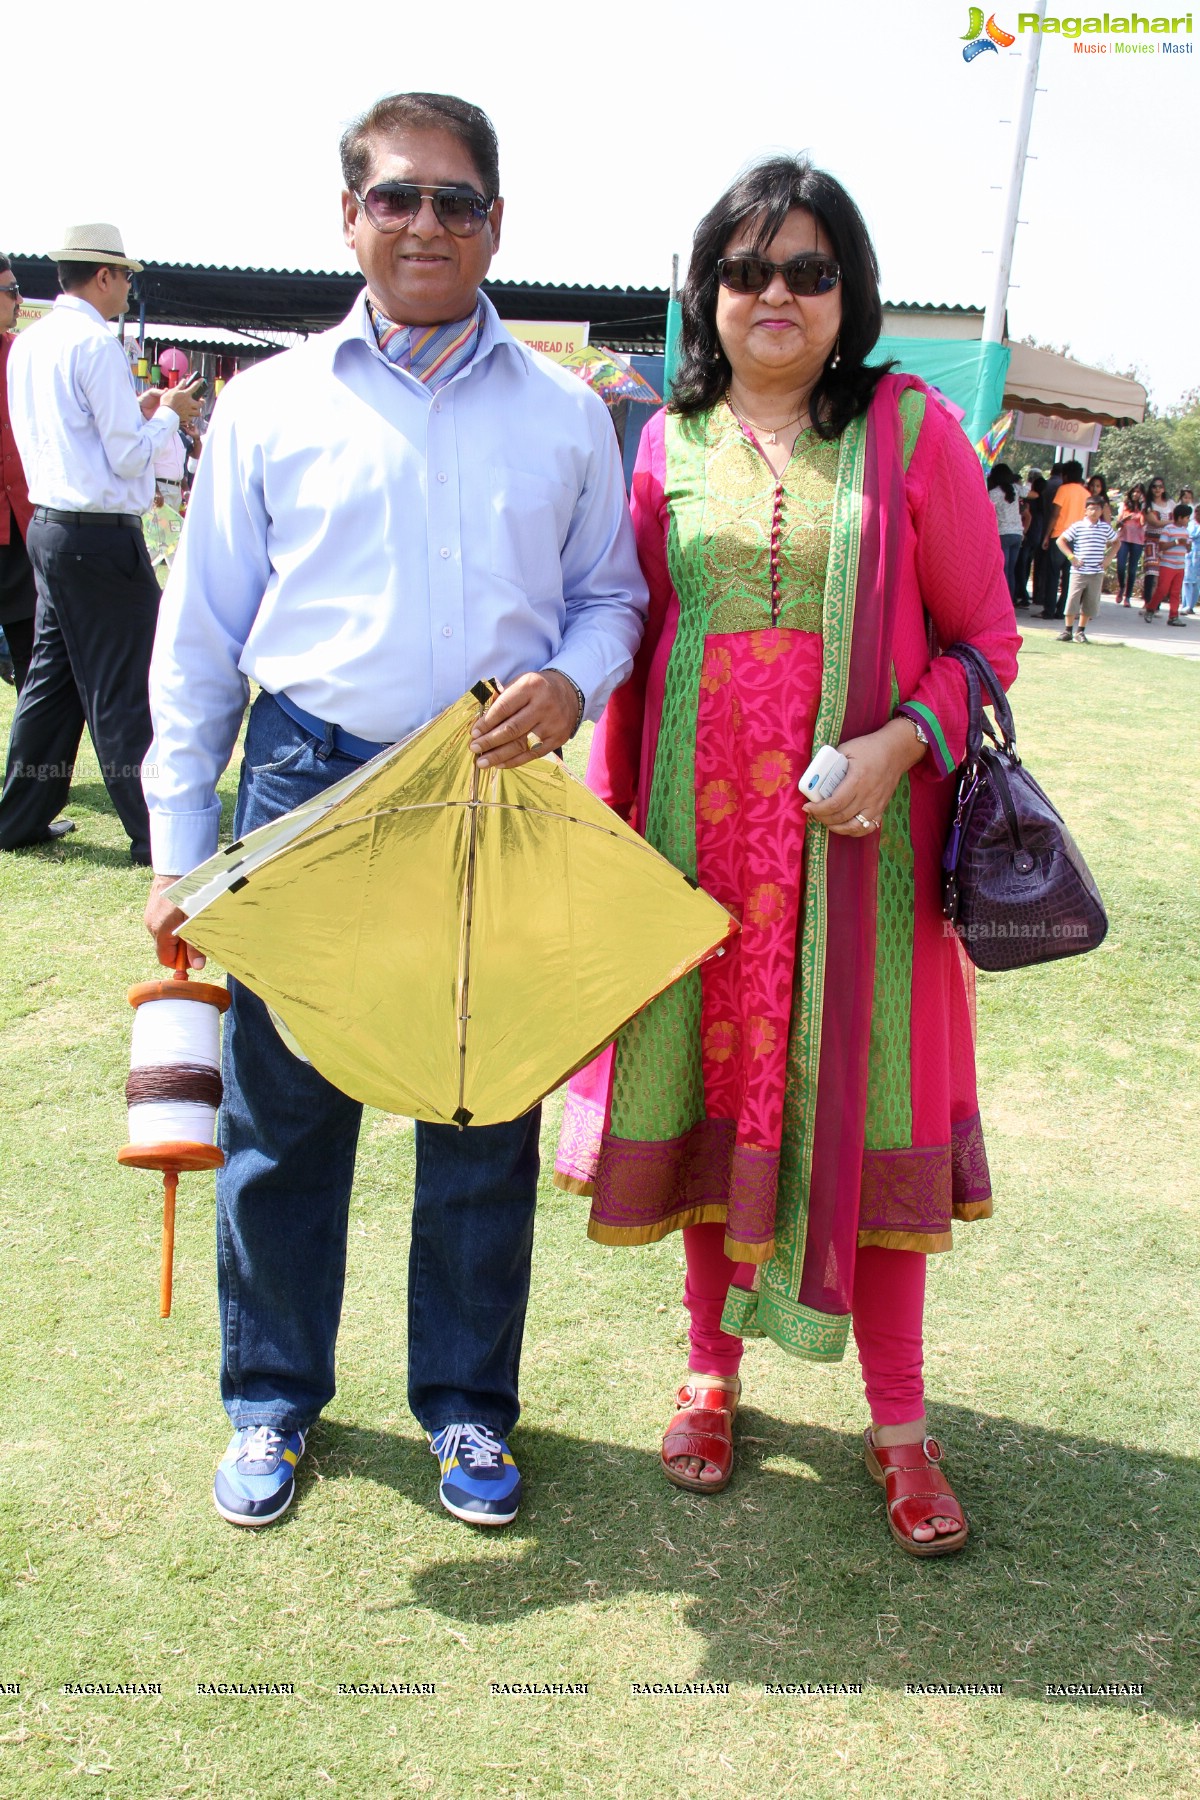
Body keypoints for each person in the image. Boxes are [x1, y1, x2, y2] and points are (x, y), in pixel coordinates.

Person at [142, 92, 646, 1533]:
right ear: (348, 217)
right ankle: (272, 1402)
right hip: (310, 782)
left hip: (494, 793)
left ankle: (470, 1413)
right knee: (283, 1118)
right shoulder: (271, 403)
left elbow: (612, 596)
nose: (427, 223)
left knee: (481, 1117)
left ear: (501, 222)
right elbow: (201, 640)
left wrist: (571, 677)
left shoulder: (567, 414)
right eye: (397, 197)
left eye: (457, 201)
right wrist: (184, 850)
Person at [554, 156, 1019, 1558]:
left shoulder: (912, 429)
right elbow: (622, 635)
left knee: (863, 1114)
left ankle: (898, 1422)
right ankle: (710, 1373)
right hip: (696, 848)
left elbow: (985, 645)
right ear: (708, 291)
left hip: (859, 855)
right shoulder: (661, 444)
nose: (776, 295)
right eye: (749, 270)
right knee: (714, 1098)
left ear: (848, 294)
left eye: (808, 272)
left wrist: (895, 748)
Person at [0, 225, 203, 860]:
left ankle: (18, 817)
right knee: (125, 683)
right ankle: (155, 833)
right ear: (106, 277)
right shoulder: (94, 343)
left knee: (53, 683)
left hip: (51, 528)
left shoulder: (30, 344)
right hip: (97, 536)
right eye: (127, 277)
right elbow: (124, 457)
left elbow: (86, 438)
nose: (128, 288)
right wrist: (169, 412)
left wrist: (144, 412)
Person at [0, 254, 37, 693]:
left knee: (35, 673)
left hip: (23, 528)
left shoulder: (22, 354)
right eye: (11, 291)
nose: (19, 299)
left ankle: (29, 766)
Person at [1056, 494, 1118, 643]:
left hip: (1096, 571)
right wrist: (1072, 557)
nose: (1094, 512)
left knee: (1090, 602)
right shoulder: (1078, 526)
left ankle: (1081, 631)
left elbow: (1117, 542)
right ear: (1085, 511)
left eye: (1097, 509)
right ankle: (1068, 630)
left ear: (1102, 511)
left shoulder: (1104, 528)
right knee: (1072, 600)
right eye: (1091, 509)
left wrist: (1108, 559)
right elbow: (1061, 541)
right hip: (1079, 571)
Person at [1040, 459, 1088, 618]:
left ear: (1065, 475)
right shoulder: (1086, 493)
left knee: (1053, 574)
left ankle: (1049, 610)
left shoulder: (1063, 489)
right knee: (1069, 576)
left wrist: (1046, 535)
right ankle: (1063, 610)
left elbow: (1055, 514)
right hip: (1079, 539)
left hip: (1059, 536)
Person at [1144, 502, 1191, 625]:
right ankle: (1150, 609)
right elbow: (1162, 546)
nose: (1188, 520)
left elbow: (1187, 549)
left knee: (1176, 592)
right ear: (1180, 518)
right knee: (1162, 589)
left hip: (1180, 566)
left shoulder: (1186, 531)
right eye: (1187, 517)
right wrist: (1176, 542)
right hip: (1167, 565)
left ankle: (1173, 616)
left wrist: (1188, 545)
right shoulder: (1168, 529)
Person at [986, 462, 1024, 604]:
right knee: (1011, 570)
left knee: (1002, 570)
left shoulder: (994, 493)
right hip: (1017, 534)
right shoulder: (1015, 489)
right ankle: (1010, 600)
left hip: (1002, 534)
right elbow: (1031, 492)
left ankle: (1002, 602)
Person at [1014, 470, 1045, 608]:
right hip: (1036, 535)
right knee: (1026, 564)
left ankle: (1022, 594)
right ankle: (1023, 593)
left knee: (1021, 565)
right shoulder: (1041, 500)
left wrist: (1024, 532)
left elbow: (1027, 517)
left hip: (1027, 535)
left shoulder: (1028, 501)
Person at [1140, 474, 1170, 613]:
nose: (1157, 489)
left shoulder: (1171, 503)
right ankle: (1148, 603)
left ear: (1163, 488)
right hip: (1152, 541)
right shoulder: (1147, 505)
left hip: (1167, 542)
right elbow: (1154, 522)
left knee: (1161, 574)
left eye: (1160, 486)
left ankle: (1156, 605)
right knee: (1151, 572)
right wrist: (1172, 522)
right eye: (1154, 487)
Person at [1114, 486, 1146, 607]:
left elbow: (1143, 523)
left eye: (1139, 492)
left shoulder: (1144, 507)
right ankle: (1122, 587)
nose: (1136, 494)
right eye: (1134, 491)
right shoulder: (1124, 505)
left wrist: (1143, 510)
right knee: (1121, 566)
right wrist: (1124, 519)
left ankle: (1127, 596)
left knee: (1132, 570)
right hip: (1124, 538)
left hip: (1138, 540)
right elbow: (1117, 524)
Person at [1183, 499, 1200, 617]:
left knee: (1197, 582)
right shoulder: (1190, 524)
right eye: (1196, 511)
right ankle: (1186, 605)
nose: (1197, 514)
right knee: (1187, 580)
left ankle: (1191, 605)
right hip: (1189, 555)